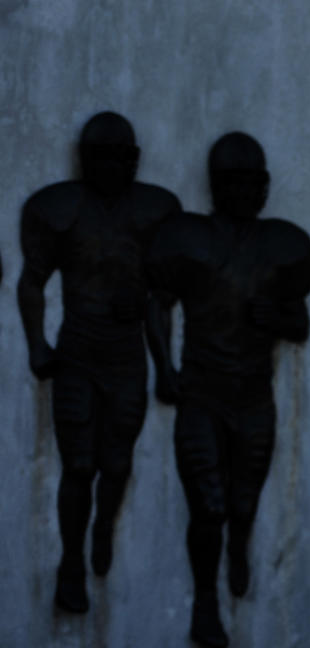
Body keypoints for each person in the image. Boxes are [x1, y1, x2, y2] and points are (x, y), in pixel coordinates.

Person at [145, 132, 310, 648]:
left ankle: (239, 545)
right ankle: (205, 600)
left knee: (242, 504)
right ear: (216, 186)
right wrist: (164, 369)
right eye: (233, 183)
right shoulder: (189, 239)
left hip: (253, 396)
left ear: (265, 187)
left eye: (253, 183)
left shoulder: (282, 246)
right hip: (201, 391)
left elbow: (299, 323)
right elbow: (157, 301)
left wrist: (278, 316)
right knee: (210, 505)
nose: (244, 192)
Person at [17, 111, 182, 613]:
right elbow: (32, 280)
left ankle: (103, 529)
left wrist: (164, 358)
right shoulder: (58, 208)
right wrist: (37, 346)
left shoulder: (156, 211)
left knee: (116, 461)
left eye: (119, 157)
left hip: (127, 352)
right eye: (99, 157)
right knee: (79, 463)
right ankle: (70, 561)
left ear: (134, 161)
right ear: (84, 160)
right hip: (78, 349)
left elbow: (167, 289)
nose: (110, 167)